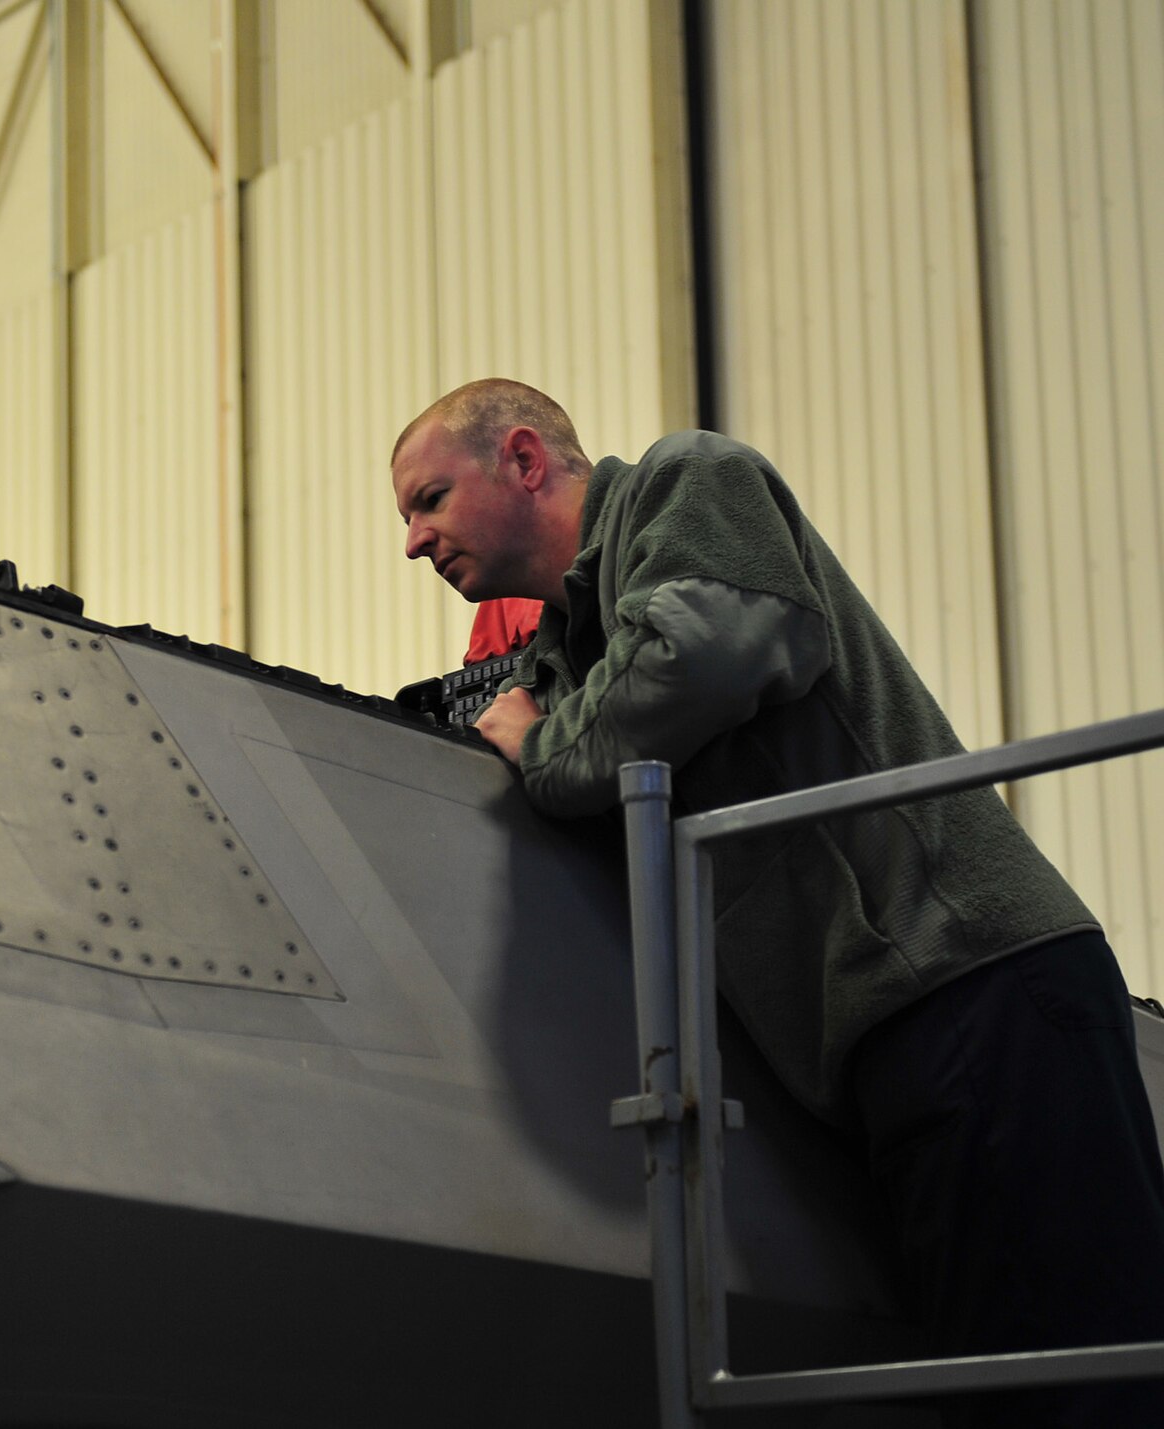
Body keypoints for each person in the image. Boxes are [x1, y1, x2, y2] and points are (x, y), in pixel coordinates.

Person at [390, 378, 1164, 1427]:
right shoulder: (565, 654)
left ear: (523, 460)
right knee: (996, 1378)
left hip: (967, 982)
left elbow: (708, 653)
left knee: (1064, 1387)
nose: (412, 541)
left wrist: (540, 745)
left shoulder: (685, 482)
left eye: (428, 499)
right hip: (888, 1031)